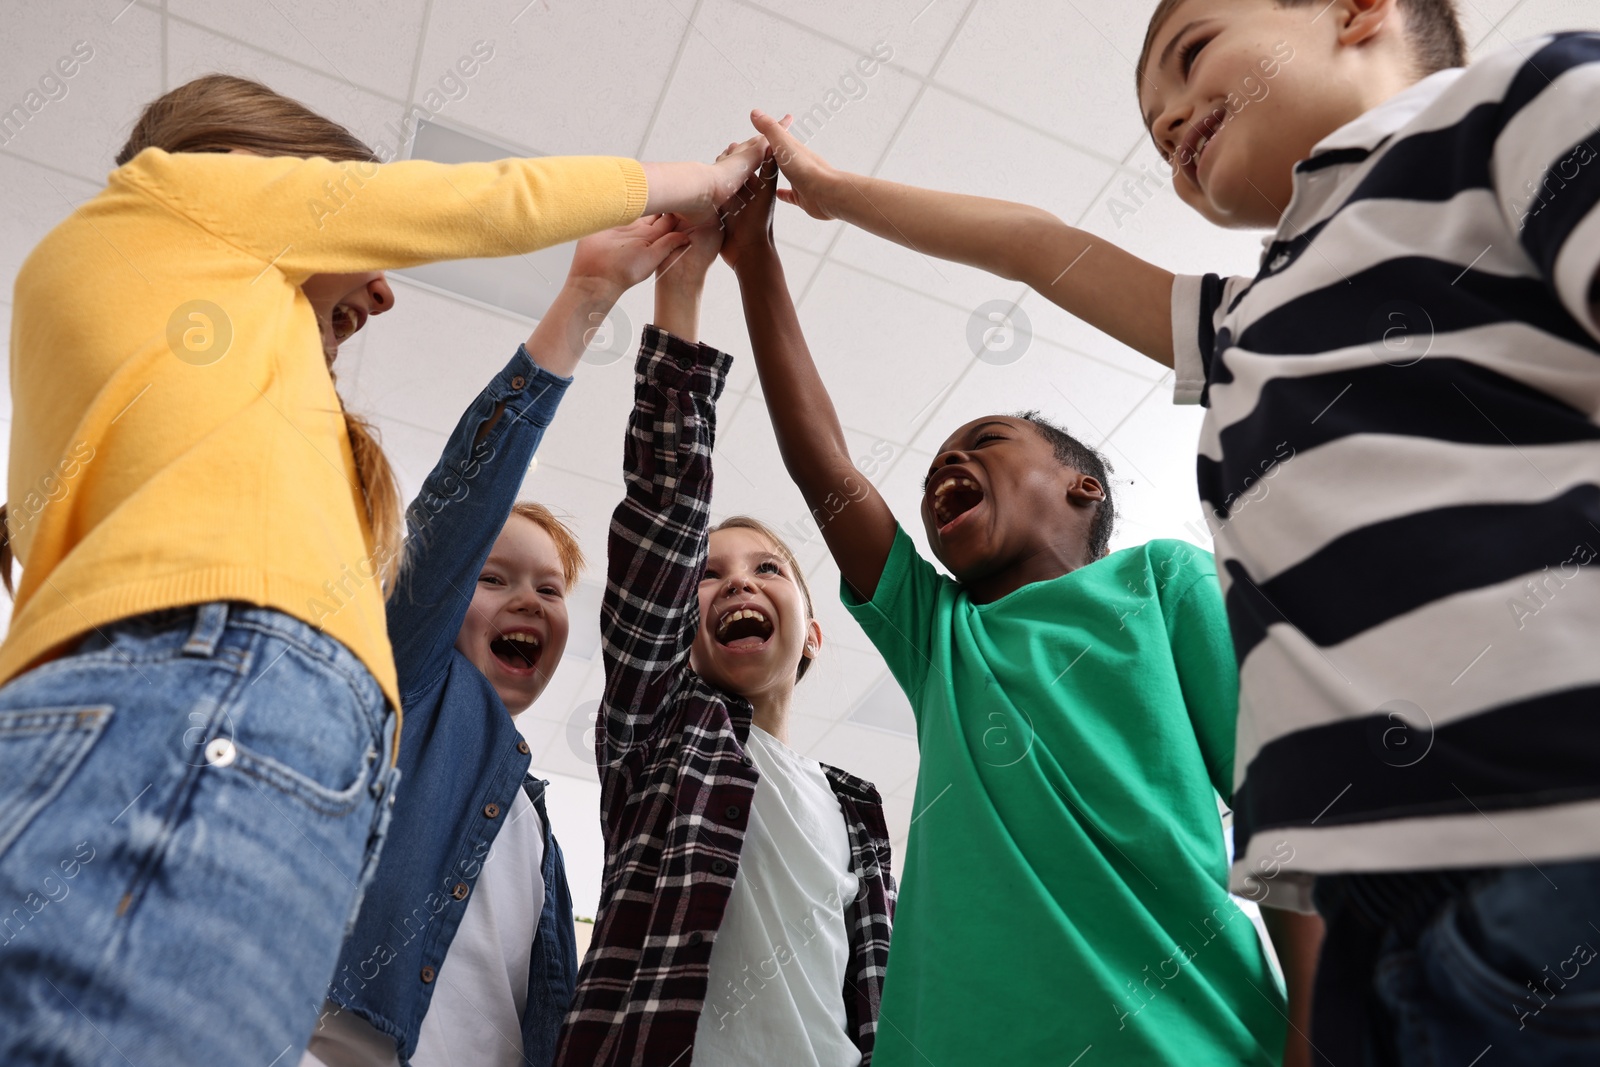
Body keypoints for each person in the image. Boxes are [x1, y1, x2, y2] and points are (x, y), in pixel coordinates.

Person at [748, 1, 1600, 1061]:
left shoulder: (1517, 108)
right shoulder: (1243, 329)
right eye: (1152, 130)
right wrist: (779, 239)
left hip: (1533, 823)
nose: (1168, 127)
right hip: (1392, 914)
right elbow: (1033, 249)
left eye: (1191, 55)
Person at [0, 72, 764, 1064]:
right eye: (352, 232)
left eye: (545, 585)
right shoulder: (174, 192)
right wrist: (701, 180)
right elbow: (482, 203)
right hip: (221, 703)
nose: (384, 286)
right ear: (243, 175)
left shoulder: (159, 375)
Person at [719, 149, 1288, 1065]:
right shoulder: (942, 636)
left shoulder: (1162, 584)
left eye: (984, 442)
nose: (948, 464)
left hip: (1186, 1043)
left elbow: (1295, 815)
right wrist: (757, 260)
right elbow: (822, 464)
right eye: (936, 461)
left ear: (1083, 489)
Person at [300, 218, 690, 1067]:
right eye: (494, 577)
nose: (532, 600)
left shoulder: (533, 822)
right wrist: (586, 300)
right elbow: (457, 508)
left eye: (551, 589)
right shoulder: (403, 685)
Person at [553, 193, 895, 1067]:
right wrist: (684, 286)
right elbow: (663, 517)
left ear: (812, 633)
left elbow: (877, 1000)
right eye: (709, 574)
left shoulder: (855, 807)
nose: (736, 578)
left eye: (766, 568)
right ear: (683, 625)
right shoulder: (664, 735)